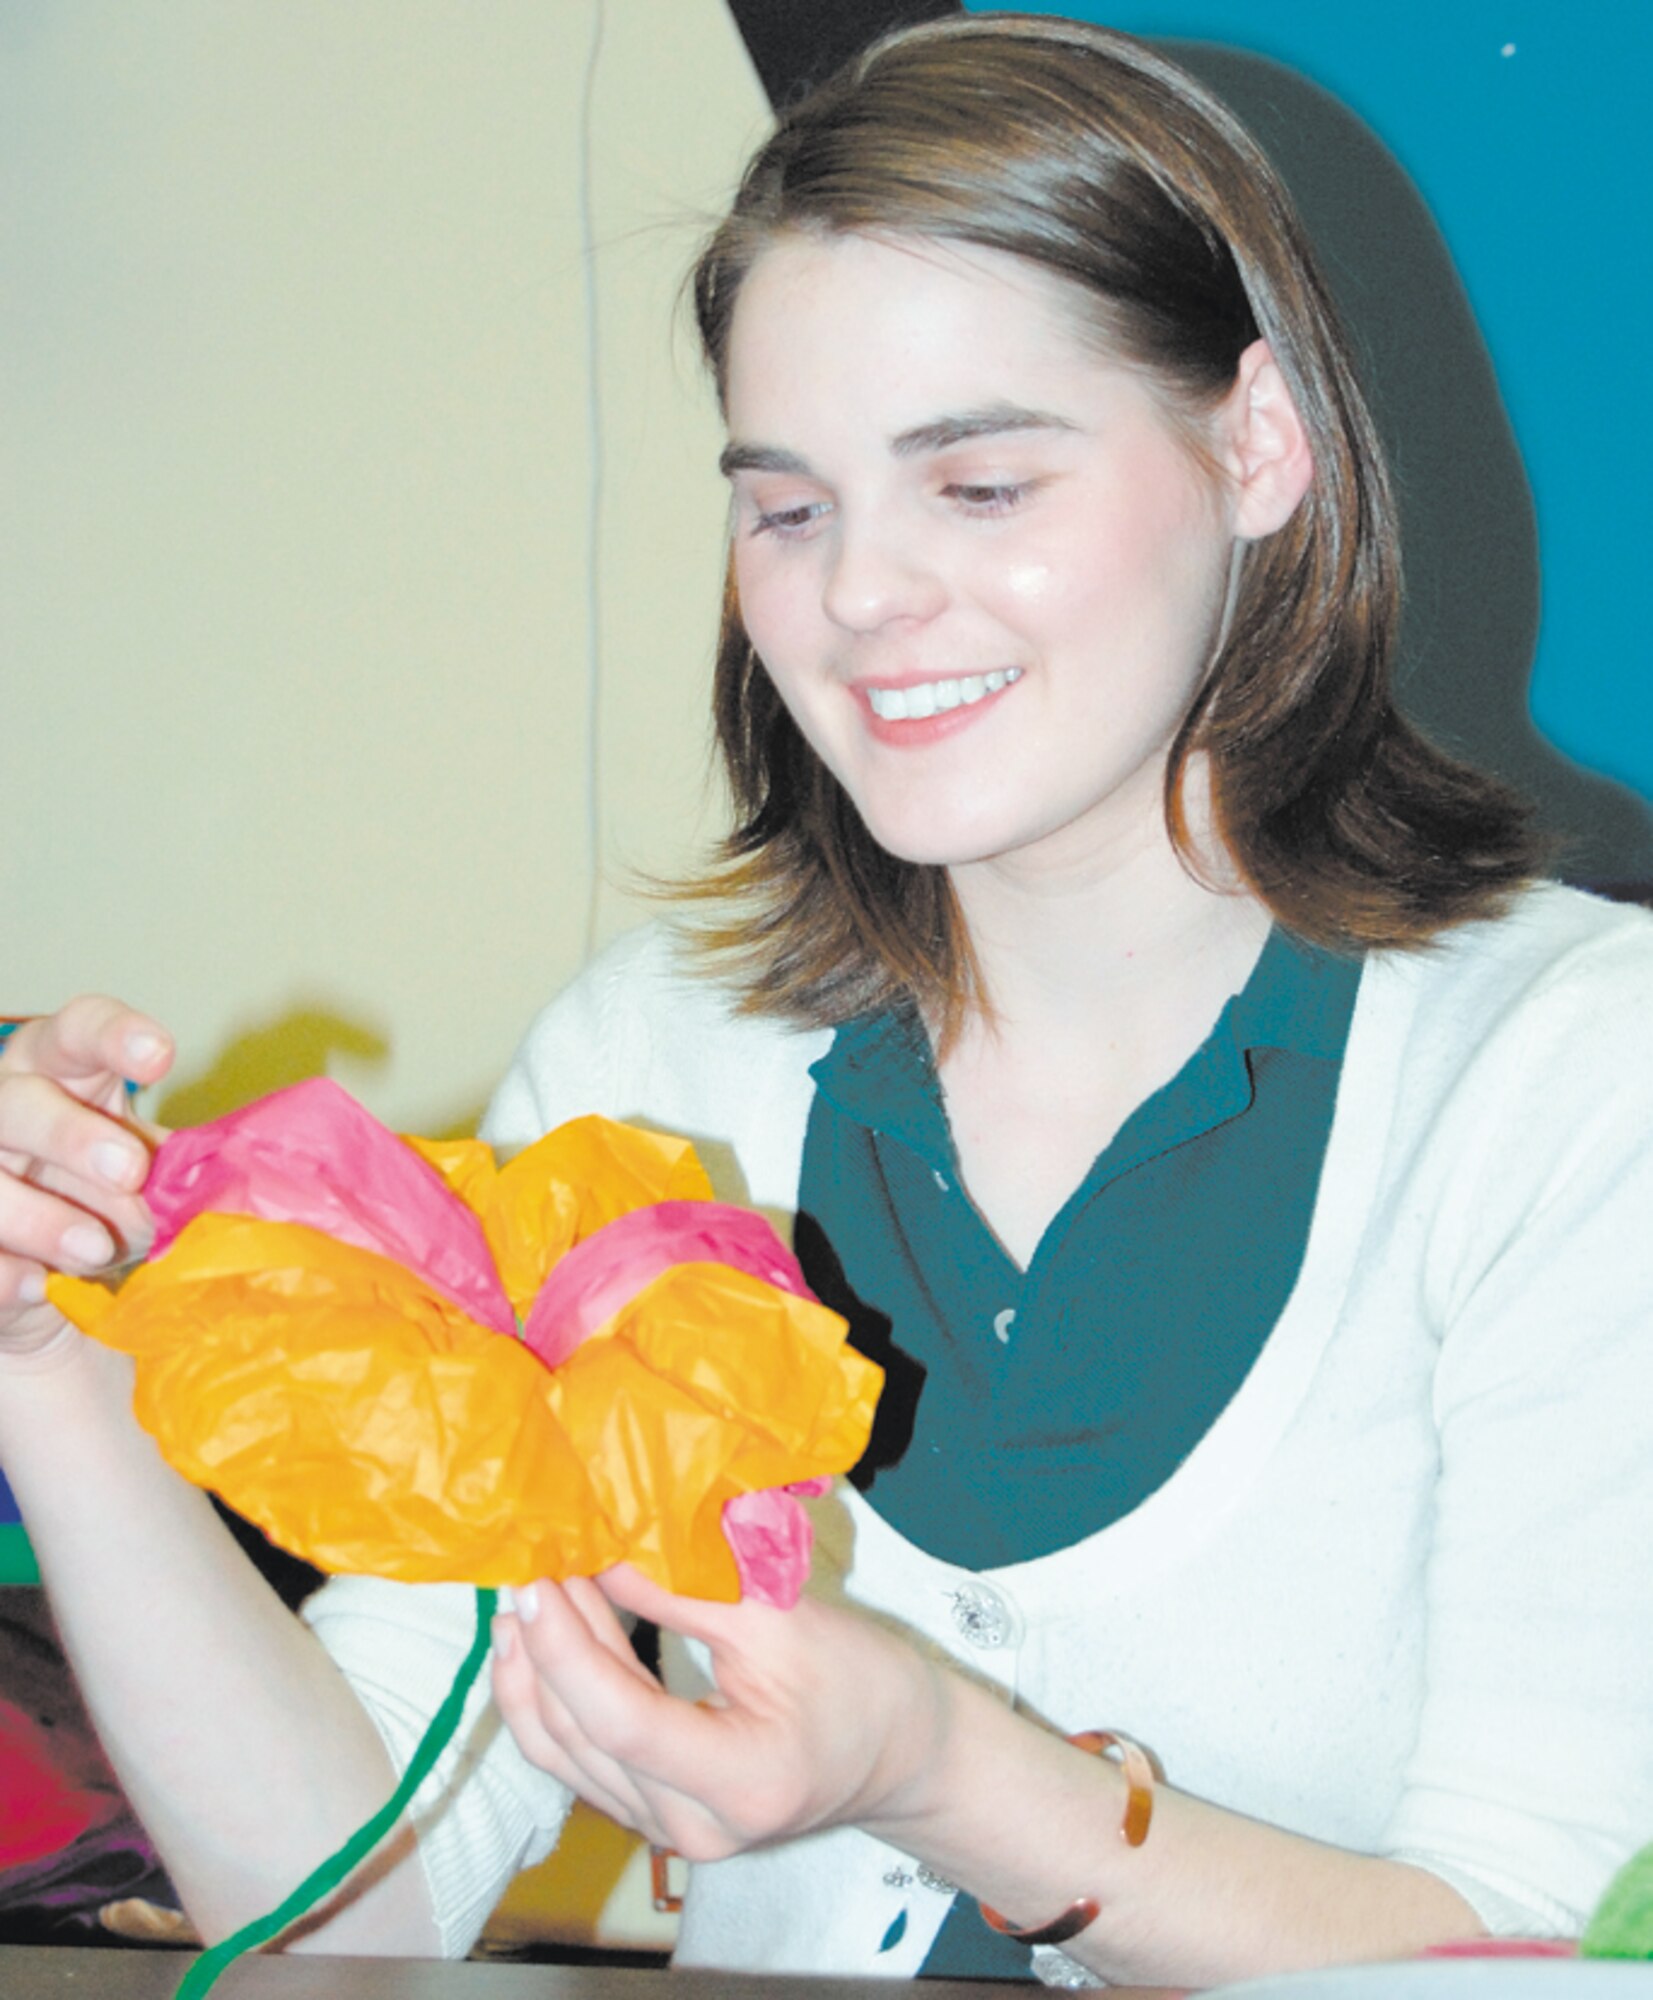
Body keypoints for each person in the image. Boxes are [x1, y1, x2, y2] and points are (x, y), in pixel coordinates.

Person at [2, 14, 1651, 1989]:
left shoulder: (1569, 1078)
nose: (856, 594)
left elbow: (1541, 1940)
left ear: (1257, 448)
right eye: (787, 507)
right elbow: (358, 1889)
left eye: (975, 484)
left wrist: (939, 1765)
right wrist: (51, 1372)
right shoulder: (652, 1067)